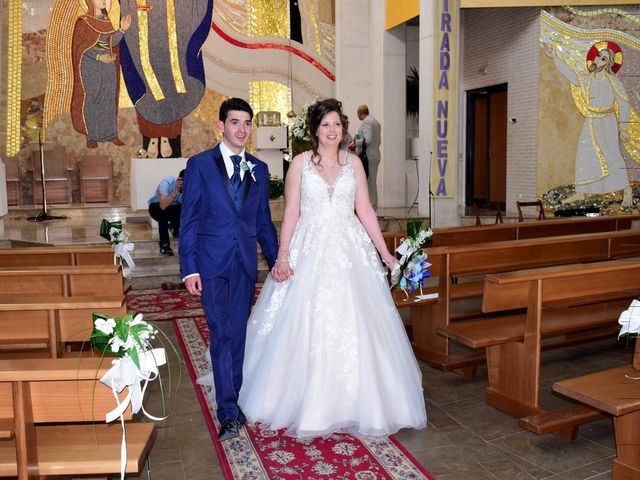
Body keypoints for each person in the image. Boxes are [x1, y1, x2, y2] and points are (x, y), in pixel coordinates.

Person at [238, 98, 427, 438]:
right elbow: (292, 212)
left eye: (337, 124)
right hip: (309, 247)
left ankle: (356, 401)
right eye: (326, 125)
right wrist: (282, 255)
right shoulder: (298, 164)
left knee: (358, 322)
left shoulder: (354, 163)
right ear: (315, 130)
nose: (332, 130)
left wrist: (386, 253)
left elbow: (365, 211)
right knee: (303, 320)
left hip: (349, 247)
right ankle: (299, 398)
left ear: (344, 129)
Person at [179, 98, 279, 441]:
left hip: (244, 264)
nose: (241, 129)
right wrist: (189, 268)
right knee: (221, 333)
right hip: (210, 264)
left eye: (247, 123)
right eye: (235, 122)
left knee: (238, 334)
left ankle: (233, 397)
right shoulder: (200, 166)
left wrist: (276, 261)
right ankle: (228, 411)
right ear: (220, 125)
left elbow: (263, 222)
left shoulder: (259, 169)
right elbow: (188, 220)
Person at [544, 40, 636, 206]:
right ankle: (581, 192)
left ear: (609, 63)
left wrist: (622, 128)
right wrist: (555, 57)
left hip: (607, 122)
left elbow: (624, 104)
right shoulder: (588, 79)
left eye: (604, 58)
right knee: (584, 154)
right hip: (592, 121)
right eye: (599, 56)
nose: (600, 59)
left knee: (612, 155)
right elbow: (571, 75)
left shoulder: (613, 81)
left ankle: (626, 191)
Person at [70, 0, 131, 148]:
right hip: (91, 66)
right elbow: (80, 48)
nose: (104, 1)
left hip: (108, 66)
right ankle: (92, 136)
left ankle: (111, 134)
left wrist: (122, 29)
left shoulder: (106, 20)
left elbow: (111, 42)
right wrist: (99, 57)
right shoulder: (83, 22)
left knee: (109, 98)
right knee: (93, 97)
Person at [148, 170, 184, 256]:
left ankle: (175, 228)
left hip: (173, 209)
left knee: (185, 208)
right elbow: (163, 205)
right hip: (156, 207)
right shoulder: (167, 182)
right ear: (179, 180)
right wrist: (177, 191)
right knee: (163, 211)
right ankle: (164, 245)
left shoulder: (191, 187)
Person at [354, 104, 381, 213]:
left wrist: (355, 143)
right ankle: (372, 206)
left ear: (360, 113)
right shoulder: (375, 121)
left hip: (369, 156)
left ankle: (373, 208)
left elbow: (368, 140)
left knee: (370, 182)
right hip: (375, 154)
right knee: (371, 182)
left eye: (357, 113)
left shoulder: (367, 122)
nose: (357, 115)